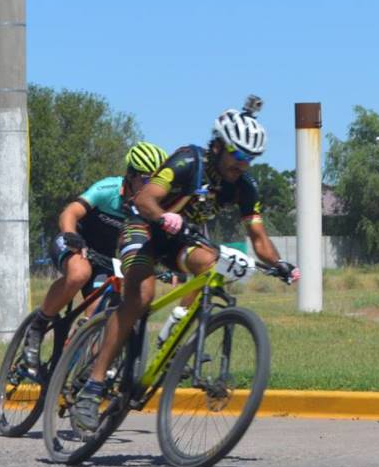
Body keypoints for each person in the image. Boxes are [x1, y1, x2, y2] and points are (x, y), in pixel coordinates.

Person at [71, 97, 299, 431]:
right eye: (238, 155)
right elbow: (144, 198)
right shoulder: (188, 160)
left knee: (213, 266)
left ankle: (175, 328)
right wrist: (164, 216)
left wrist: (281, 264)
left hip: (181, 239)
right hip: (144, 226)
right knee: (141, 297)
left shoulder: (244, 186)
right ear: (219, 146)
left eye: (251, 158)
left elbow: (259, 237)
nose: (243, 164)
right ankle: (92, 387)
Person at [21, 141, 170, 369]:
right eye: (147, 179)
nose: (152, 186)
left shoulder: (147, 206)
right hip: (74, 244)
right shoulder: (108, 189)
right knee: (80, 273)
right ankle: (38, 326)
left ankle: (74, 366)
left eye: (157, 181)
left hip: (103, 258)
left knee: (99, 313)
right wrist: (71, 235)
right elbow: (70, 212)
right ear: (130, 175)